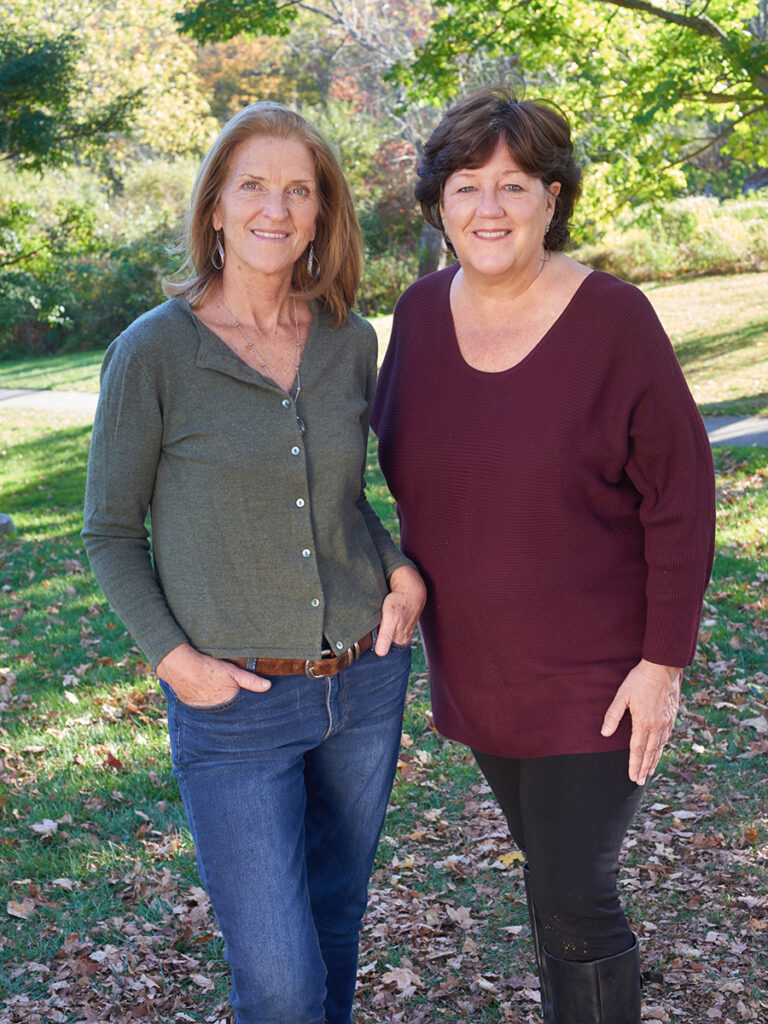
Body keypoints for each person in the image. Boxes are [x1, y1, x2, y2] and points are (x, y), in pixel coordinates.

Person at [371, 88, 715, 1023]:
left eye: (516, 184)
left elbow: (682, 497)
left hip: (597, 675)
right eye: (468, 184)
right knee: (553, 888)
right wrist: (394, 568)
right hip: (479, 670)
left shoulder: (613, 320)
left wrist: (663, 664)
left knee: (576, 899)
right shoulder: (417, 318)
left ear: (553, 197)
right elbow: (408, 474)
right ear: (438, 203)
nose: (490, 207)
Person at [82, 101, 426, 1024]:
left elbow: (339, 498)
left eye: (298, 190)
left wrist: (398, 564)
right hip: (232, 704)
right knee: (278, 978)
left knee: (336, 919)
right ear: (216, 208)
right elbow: (109, 532)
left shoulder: (351, 340)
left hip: (364, 681)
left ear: (321, 215)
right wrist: (172, 658)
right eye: (253, 186)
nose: (276, 208)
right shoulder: (151, 352)